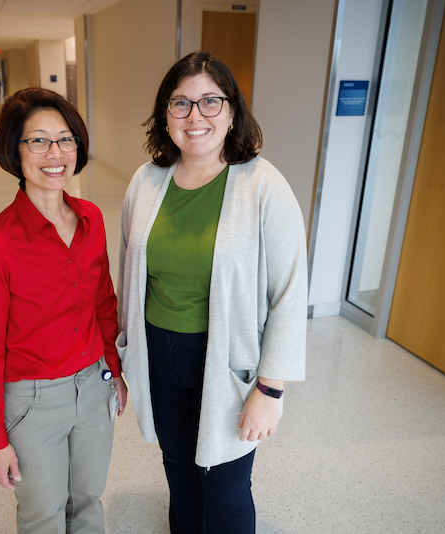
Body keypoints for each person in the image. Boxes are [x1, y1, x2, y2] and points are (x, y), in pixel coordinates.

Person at [116, 51, 307, 533]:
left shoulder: (264, 185)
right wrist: (123, 354)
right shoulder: (146, 182)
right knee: (178, 465)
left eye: (209, 102)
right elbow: (130, 272)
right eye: (180, 103)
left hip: (226, 357)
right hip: (161, 351)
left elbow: (289, 292)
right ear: (165, 115)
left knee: (223, 480)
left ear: (233, 112)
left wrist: (270, 389)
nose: (194, 116)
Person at [0, 87, 128, 533]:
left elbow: (103, 304)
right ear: (14, 152)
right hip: (32, 402)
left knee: (89, 502)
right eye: (38, 140)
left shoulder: (92, 218)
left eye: (65, 139)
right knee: (43, 515)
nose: (54, 153)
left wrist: (114, 372)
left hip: (93, 386)